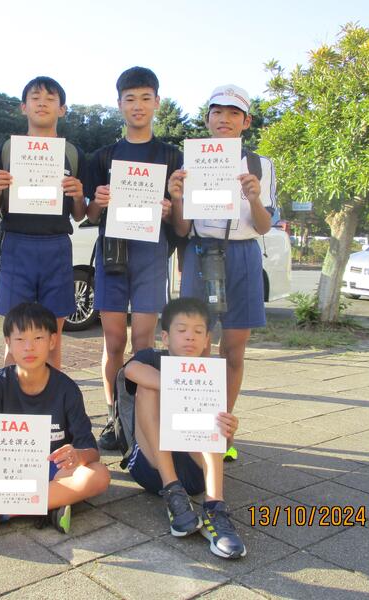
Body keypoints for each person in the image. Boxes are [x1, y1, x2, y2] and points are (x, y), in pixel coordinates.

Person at [0, 302, 110, 540]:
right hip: (3, 470)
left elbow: (91, 452)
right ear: (8, 343)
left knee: (98, 475)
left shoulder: (66, 389)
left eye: (38, 338)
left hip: (52, 471)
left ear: (52, 341)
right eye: (20, 339)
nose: (29, 347)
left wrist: (77, 455)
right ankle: (48, 506)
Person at [169, 85, 277, 462]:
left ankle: (221, 431)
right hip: (200, 251)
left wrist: (254, 198)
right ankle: (189, 429)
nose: (224, 119)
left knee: (233, 348)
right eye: (218, 112)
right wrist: (177, 197)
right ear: (207, 119)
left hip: (243, 253)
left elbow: (263, 226)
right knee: (194, 345)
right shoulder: (191, 160)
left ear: (246, 121)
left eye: (234, 113)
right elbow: (181, 229)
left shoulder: (261, 165)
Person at [85, 66, 183, 450]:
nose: (138, 105)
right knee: (112, 342)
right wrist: (98, 202)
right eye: (130, 99)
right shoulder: (103, 156)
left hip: (151, 255)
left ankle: (141, 420)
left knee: (143, 342)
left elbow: (181, 223)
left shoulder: (172, 156)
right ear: (119, 104)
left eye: (145, 98)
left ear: (157, 102)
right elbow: (88, 214)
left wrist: (170, 209)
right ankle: (114, 419)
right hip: (112, 255)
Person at [123, 297, 243, 558]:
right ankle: (173, 493)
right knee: (147, 388)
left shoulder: (209, 373)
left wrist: (229, 431)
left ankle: (215, 507)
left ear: (207, 339)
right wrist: (179, 383)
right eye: (182, 330)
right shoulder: (152, 358)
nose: (190, 337)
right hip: (152, 468)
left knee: (211, 412)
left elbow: (223, 445)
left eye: (198, 331)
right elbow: (130, 370)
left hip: (194, 472)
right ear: (165, 337)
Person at [0, 76, 87, 369]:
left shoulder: (72, 154)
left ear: (62, 109)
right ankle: (10, 397)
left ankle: (51, 399)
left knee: (52, 339)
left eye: (50, 98)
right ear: (23, 107)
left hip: (56, 246)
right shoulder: (8, 149)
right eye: (35, 98)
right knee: (15, 337)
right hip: (16, 244)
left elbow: (79, 215)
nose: (42, 103)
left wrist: (79, 194)